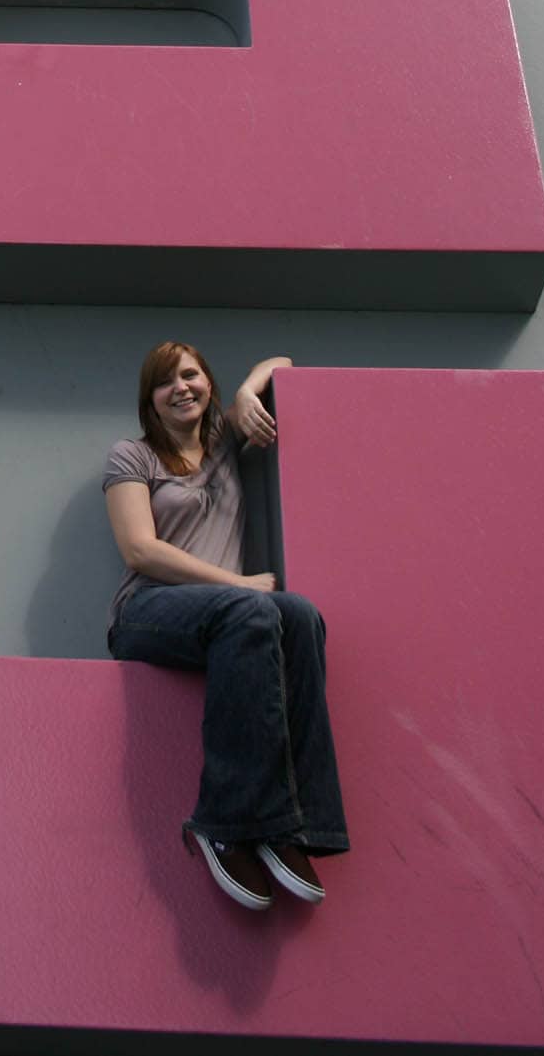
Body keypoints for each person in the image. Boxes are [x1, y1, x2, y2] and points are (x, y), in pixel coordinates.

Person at [103, 341, 348, 912]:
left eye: (191, 375)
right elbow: (140, 549)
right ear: (150, 400)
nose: (181, 387)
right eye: (165, 381)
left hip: (230, 617)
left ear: (208, 383)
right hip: (148, 611)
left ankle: (298, 826)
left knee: (301, 614)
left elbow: (282, 362)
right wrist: (234, 584)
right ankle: (224, 823)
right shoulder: (131, 456)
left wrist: (247, 388)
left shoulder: (223, 443)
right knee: (257, 608)